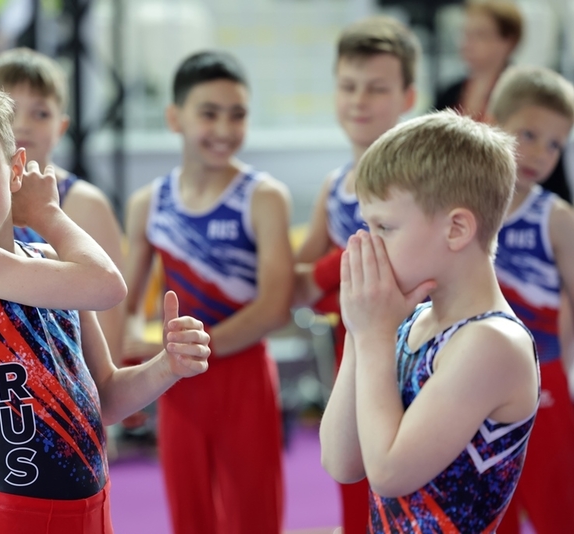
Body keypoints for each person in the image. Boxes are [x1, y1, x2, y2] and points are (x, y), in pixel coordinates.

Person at [0, 78, 210, 533]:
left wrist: (167, 366)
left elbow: (105, 397)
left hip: (92, 511)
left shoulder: (45, 263)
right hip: (12, 517)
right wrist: (47, 213)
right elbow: (108, 286)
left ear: (16, 169)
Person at [320, 109, 539, 532]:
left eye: (384, 227)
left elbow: (388, 473)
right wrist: (360, 332)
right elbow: (341, 461)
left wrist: (374, 335)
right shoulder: (409, 321)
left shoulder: (492, 342)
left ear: (456, 229)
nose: (367, 244)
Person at [0, 46, 126, 504]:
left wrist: (100, 405)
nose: (22, 124)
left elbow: (108, 325)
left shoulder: (82, 205)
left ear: (62, 125)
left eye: (39, 112)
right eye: (10, 109)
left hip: (64, 420)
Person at [123, 50, 294, 534]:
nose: (224, 128)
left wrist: (195, 347)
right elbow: (126, 304)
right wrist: (133, 355)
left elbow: (274, 307)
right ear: (174, 118)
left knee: (254, 517)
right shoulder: (149, 203)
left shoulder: (263, 197)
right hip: (179, 381)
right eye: (209, 113)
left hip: (244, 375)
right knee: (190, 516)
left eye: (237, 115)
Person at [292, 16, 419, 533]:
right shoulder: (335, 185)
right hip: (353, 358)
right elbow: (298, 286)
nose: (359, 100)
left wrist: (338, 267)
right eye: (348, 86)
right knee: (353, 491)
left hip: (417, 351)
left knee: (413, 493)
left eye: (377, 88)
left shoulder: (423, 179)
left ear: (408, 97)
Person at [484, 65, 574, 534]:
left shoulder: (556, 218)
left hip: (545, 381)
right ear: (493, 124)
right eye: (530, 135)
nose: (541, 153)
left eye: (555, 144)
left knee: (556, 507)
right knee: (489, 510)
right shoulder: (464, 209)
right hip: (473, 379)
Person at [435, 0, 523, 122]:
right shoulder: (449, 93)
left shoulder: (521, 96)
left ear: (508, 41)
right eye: (466, 34)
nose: (467, 44)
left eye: (480, 35)